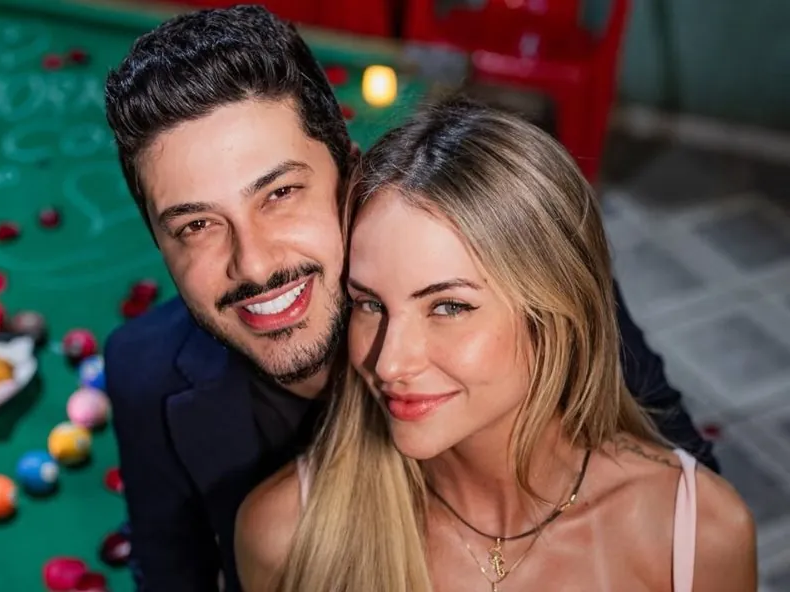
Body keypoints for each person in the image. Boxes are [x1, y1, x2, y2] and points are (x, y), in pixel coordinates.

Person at [102, 7, 719, 592]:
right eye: (196, 226)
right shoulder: (146, 375)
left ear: (352, 174)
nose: (255, 263)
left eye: (281, 194)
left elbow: (678, 488)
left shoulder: (509, 264)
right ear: (159, 243)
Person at [235, 97, 756, 592]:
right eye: (369, 304)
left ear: (555, 315)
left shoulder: (695, 534)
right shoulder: (287, 537)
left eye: (448, 307)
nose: (389, 363)